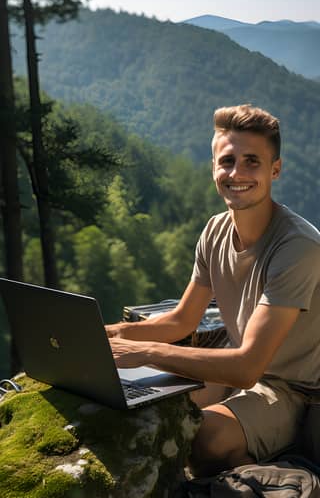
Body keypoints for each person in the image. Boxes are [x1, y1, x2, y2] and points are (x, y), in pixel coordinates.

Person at [106, 104, 320, 476]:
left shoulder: (297, 246)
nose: (236, 172)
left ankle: (263, 485)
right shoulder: (215, 230)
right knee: (141, 408)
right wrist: (110, 335)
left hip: (294, 390)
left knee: (203, 437)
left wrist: (143, 352)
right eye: (227, 161)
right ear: (213, 169)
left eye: (252, 161)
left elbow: (248, 367)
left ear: (276, 169)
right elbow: (181, 319)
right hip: (237, 369)